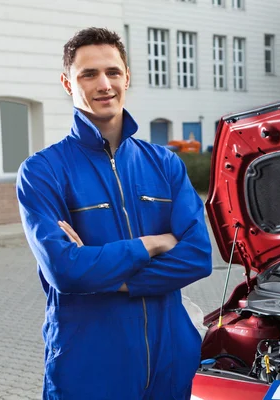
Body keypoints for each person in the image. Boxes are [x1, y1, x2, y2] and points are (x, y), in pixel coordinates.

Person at [16, 27, 212, 399]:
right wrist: (152, 243)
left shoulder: (165, 164)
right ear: (67, 83)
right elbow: (64, 269)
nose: (103, 83)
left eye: (113, 72)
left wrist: (111, 278)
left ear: (127, 77)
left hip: (171, 360)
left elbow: (198, 257)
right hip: (89, 365)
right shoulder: (43, 171)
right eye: (88, 74)